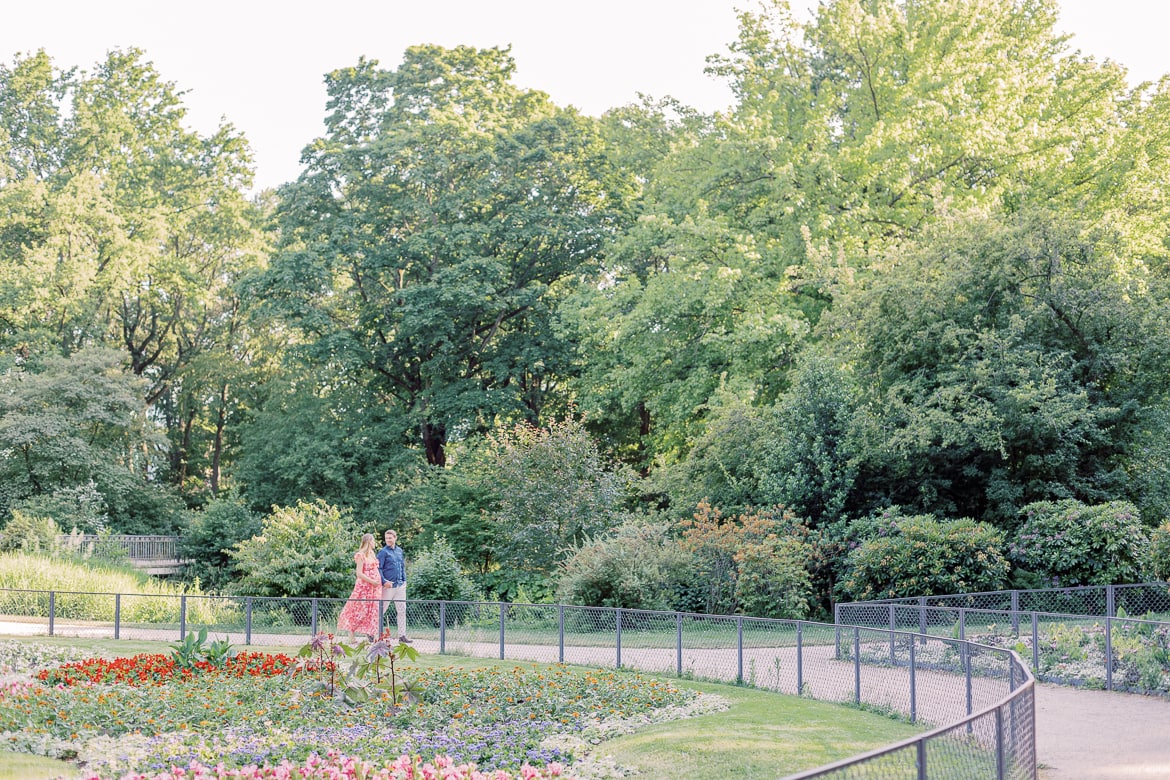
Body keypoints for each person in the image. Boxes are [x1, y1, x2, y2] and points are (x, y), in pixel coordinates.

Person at [336, 533, 382, 644]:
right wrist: (372, 581)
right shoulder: (361, 555)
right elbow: (359, 573)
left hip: (374, 589)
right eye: (373, 541)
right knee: (359, 610)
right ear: (369, 542)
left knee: (372, 611)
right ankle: (351, 636)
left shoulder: (372, 554)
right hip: (364, 587)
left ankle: (372, 635)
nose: (374, 543)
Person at [377, 528, 411, 643]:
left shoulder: (399, 551)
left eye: (390, 538)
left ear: (395, 538)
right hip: (388, 586)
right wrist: (384, 581)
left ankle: (402, 635)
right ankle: (372, 633)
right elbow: (378, 568)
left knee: (402, 610)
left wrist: (405, 580)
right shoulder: (383, 552)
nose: (388, 540)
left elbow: (402, 566)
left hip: (400, 586)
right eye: (386, 538)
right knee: (381, 609)